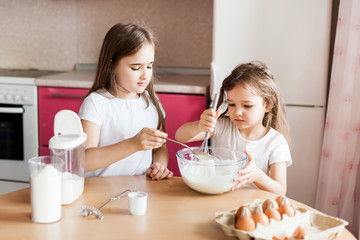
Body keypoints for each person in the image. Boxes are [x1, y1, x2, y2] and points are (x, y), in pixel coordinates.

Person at [175, 61, 292, 195]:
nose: (237, 112)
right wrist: (200, 126)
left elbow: (280, 190)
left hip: (250, 206)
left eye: (247, 106)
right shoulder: (223, 127)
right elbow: (180, 136)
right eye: (231, 104)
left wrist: (257, 176)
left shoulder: (275, 143)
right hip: (218, 199)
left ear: (267, 105)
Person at [79, 23, 173, 180]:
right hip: (98, 194)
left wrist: (159, 165)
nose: (145, 75)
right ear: (111, 66)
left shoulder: (153, 103)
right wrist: (133, 144)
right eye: (136, 68)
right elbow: (84, 160)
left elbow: (160, 148)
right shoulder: (96, 103)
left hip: (139, 192)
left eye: (149, 66)